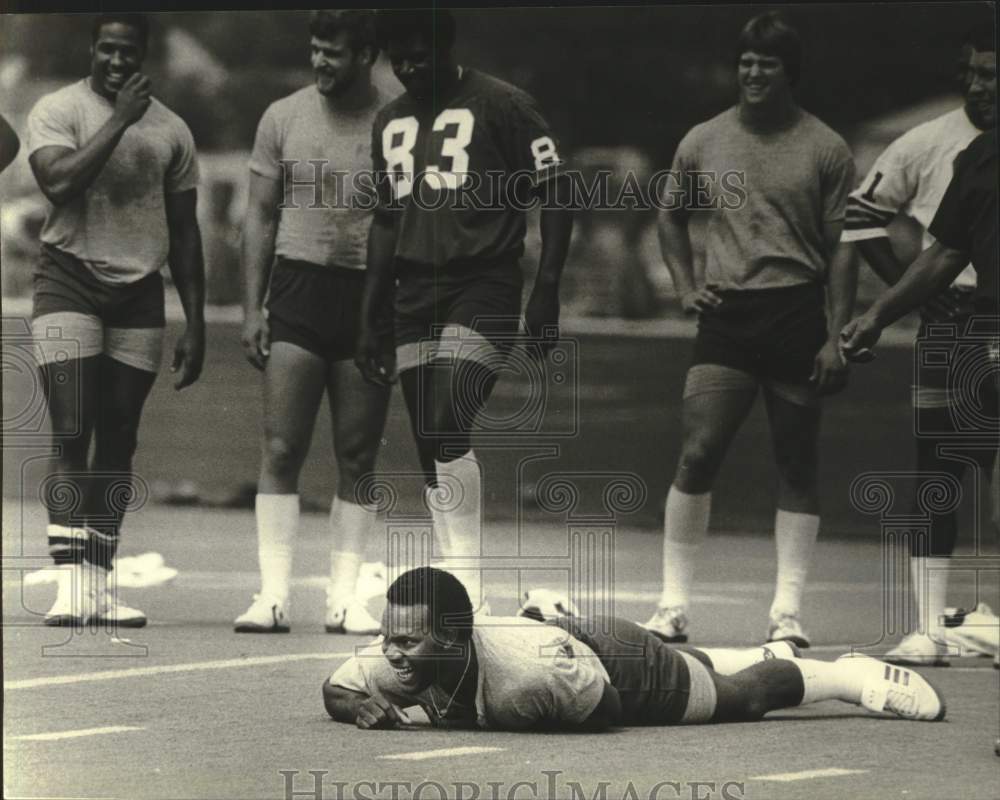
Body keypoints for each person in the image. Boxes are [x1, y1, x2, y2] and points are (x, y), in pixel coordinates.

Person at [644, 12, 857, 647]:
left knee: (795, 460)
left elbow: (845, 245)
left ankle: (786, 615)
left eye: (767, 63)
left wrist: (835, 334)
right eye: (746, 61)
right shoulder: (703, 139)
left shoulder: (826, 147)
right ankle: (672, 606)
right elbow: (670, 215)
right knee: (698, 451)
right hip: (728, 317)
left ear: (790, 73)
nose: (754, 73)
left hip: (795, 312)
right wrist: (685, 287)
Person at [355, 10, 573, 612]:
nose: (408, 66)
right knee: (431, 432)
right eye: (397, 56)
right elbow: (384, 218)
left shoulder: (503, 104)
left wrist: (547, 285)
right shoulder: (389, 119)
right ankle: (455, 571)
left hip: (485, 282)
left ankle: (468, 578)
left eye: (419, 52)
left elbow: (556, 189)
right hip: (412, 294)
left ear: (445, 45)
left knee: (451, 414)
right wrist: (370, 312)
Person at [26, 13, 205, 627]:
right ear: (92, 50)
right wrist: (121, 118)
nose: (116, 62)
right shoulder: (57, 108)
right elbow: (57, 182)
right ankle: (70, 582)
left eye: (128, 52)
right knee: (72, 428)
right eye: (106, 49)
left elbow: (185, 232)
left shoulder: (174, 131)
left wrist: (197, 321)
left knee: (120, 437)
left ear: (144, 55)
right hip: (68, 277)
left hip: (139, 291)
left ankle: (100, 583)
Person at [322, 567, 946, 730]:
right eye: (387, 637)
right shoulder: (395, 653)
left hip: (612, 663)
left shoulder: (524, 685)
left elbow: (611, 710)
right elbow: (336, 688)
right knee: (696, 665)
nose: (390, 652)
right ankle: (761, 647)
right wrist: (357, 708)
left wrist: (538, 723)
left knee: (739, 699)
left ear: (454, 636)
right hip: (560, 642)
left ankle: (846, 676)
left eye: (406, 639)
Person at [841, 34, 997, 665]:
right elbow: (946, 250)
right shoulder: (976, 153)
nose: (978, 85)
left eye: (992, 75)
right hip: (967, 324)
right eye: (973, 74)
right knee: (936, 465)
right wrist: (880, 312)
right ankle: (930, 628)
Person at [234, 11, 392, 635]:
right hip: (298, 288)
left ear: (365, 54)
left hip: (367, 295)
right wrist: (252, 308)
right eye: (315, 51)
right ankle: (272, 595)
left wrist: (394, 311)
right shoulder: (283, 116)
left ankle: (345, 596)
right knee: (281, 445)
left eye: (333, 53)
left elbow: (408, 220)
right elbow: (259, 216)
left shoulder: (396, 120)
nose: (321, 62)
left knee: (357, 454)